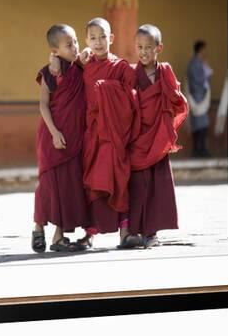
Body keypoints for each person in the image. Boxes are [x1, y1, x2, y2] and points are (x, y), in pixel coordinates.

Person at [67, 18, 141, 250]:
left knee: (118, 181)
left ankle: (125, 233)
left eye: (102, 37)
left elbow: (132, 99)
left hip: (114, 137)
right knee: (92, 183)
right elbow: (68, 86)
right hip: (92, 135)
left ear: (111, 39)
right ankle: (89, 234)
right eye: (93, 37)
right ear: (86, 40)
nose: (98, 42)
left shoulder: (121, 67)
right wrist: (75, 62)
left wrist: (106, 88)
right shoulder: (84, 66)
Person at [128, 24, 188, 247]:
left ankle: (152, 232)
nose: (143, 52)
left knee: (158, 184)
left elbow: (177, 99)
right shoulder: (132, 73)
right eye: (139, 47)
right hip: (139, 136)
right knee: (137, 185)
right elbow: (126, 103)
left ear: (159, 48)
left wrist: (170, 100)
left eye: (148, 47)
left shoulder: (165, 71)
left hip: (159, 137)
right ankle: (134, 230)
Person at [32, 24, 90, 252]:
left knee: (68, 186)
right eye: (69, 45)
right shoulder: (50, 72)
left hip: (74, 139)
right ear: (54, 50)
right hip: (52, 136)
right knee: (48, 185)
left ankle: (58, 237)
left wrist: (79, 58)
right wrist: (55, 133)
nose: (75, 47)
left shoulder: (79, 68)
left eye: (75, 41)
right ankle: (38, 227)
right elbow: (43, 106)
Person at [187, 40, 213, 157]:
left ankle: (200, 149)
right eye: (204, 49)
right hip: (197, 97)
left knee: (201, 124)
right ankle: (198, 150)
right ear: (200, 50)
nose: (205, 52)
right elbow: (198, 80)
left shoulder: (198, 62)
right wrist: (206, 75)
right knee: (200, 125)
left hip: (200, 96)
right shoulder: (194, 63)